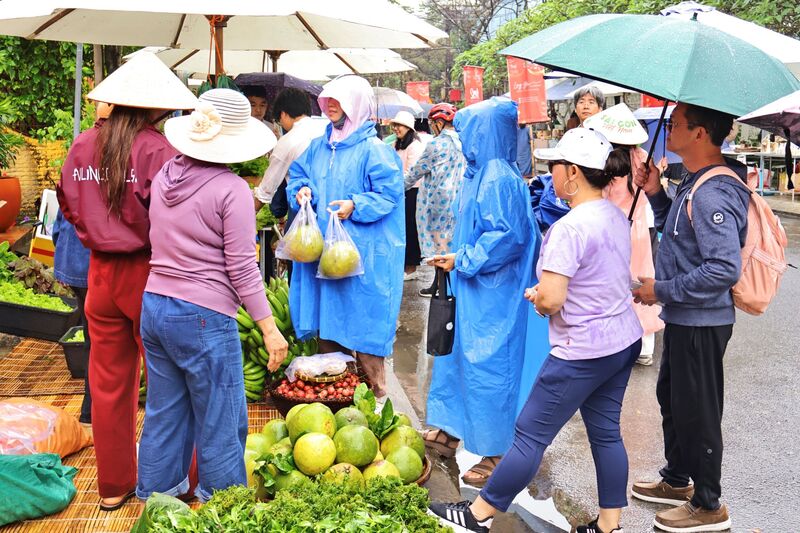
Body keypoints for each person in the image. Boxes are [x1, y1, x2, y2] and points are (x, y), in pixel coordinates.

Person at [430, 127, 643, 533]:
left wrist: (539, 297)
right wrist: (548, 290)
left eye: (555, 166)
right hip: (622, 340)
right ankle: (609, 526)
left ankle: (477, 516)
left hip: (581, 350)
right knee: (605, 434)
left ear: (574, 174)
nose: (550, 173)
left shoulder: (569, 228)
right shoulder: (614, 214)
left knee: (529, 436)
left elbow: (552, 301)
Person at [55, 52, 198, 511]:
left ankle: (113, 487)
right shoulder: (158, 149)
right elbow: (177, 218)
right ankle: (179, 483)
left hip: (99, 275)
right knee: (171, 383)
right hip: (149, 273)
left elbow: (68, 204)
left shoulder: (81, 146)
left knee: (109, 386)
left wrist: (98, 232)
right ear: (158, 107)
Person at [136, 89, 287, 502]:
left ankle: (157, 499)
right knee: (221, 417)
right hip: (203, 316)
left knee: (165, 412)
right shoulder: (231, 188)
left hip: (155, 306)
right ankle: (223, 505)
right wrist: (269, 329)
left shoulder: (166, 174)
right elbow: (242, 268)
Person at [631, 102, 749, 532]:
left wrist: (658, 289)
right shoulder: (693, 181)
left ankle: (708, 503)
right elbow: (677, 234)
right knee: (674, 401)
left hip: (702, 321)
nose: (670, 131)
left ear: (700, 134)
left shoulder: (716, 190)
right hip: (684, 316)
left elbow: (722, 269)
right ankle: (677, 478)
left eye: (677, 125)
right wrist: (657, 194)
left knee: (697, 410)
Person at [424, 97, 542, 487]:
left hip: (494, 291)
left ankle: (499, 450)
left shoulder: (496, 176)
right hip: (476, 284)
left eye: (469, 131)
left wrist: (464, 259)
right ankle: (451, 426)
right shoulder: (482, 172)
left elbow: (507, 237)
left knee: (490, 366)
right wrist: (459, 257)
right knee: (461, 357)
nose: (462, 139)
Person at [287, 75, 405, 398]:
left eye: (340, 100)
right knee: (330, 342)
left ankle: (377, 410)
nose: (332, 106)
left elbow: (389, 194)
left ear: (357, 105)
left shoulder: (375, 151)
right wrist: (300, 192)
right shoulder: (317, 147)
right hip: (325, 261)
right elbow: (296, 176)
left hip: (363, 260)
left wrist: (357, 205)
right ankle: (338, 410)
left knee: (364, 340)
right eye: (328, 101)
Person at [584, 103, 664, 366]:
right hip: (639, 231)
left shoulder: (604, 162)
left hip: (610, 231)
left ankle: (617, 343)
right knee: (640, 282)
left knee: (613, 285)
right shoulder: (643, 157)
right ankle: (645, 347)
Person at [403, 103, 465, 297]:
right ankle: (440, 285)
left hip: (437, 203)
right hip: (458, 200)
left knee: (439, 248)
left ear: (439, 122)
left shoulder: (436, 144)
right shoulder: (464, 142)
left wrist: (396, 187)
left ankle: (442, 290)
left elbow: (416, 171)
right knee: (450, 246)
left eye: (432, 123)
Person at [253, 88, 328, 210]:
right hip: (333, 203)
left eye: (280, 120)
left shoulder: (287, 141)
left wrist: (250, 214)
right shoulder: (325, 128)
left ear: (283, 114)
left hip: (305, 206)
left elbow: (266, 189)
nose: (281, 123)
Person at [52, 210, 91, 425]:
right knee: (100, 345)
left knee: (92, 340)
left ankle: (89, 413)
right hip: (93, 264)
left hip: (73, 261)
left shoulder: (71, 175)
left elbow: (58, 227)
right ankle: (90, 413)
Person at [390, 110, 425, 281]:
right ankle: (404, 264)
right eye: (395, 125)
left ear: (408, 127)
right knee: (401, 228)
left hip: (412, 192)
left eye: (399, 125)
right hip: (399, 190)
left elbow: (412, 173)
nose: (396, 128)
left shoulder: (414, 146)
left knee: (411, 228)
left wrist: (395, 184)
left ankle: (411, 267)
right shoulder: (396, 145)